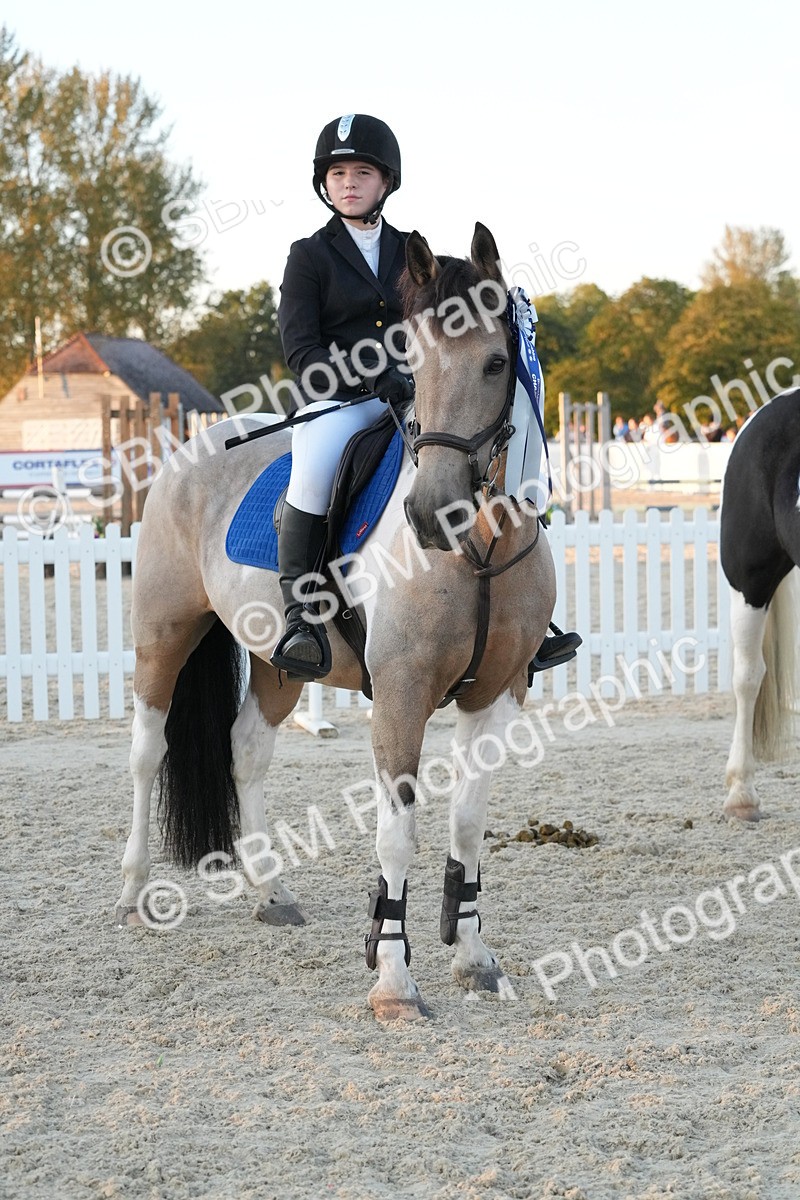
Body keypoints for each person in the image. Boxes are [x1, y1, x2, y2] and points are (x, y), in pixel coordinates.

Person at [271, 113, 579, 682]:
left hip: (415, 397)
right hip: (338, 401)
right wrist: (369, 378)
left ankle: (528, 617)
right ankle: (301, 618)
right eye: (338, 174)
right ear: (325, 184)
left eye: (361, 173)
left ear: (385, 181)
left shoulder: (413, 252)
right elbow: (301, 349)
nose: (349, 183)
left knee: (494, 453)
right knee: (313, 469)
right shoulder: (308, 255)